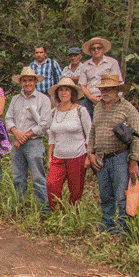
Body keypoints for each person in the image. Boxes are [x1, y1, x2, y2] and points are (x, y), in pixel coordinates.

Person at [86, 74, 139, 234]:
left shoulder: (128, 108)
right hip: (102, 158)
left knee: (122, 195)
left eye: (109, 88)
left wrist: (133, 161)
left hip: (120, 158)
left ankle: (124, 229)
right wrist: (90, 152)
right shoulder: (98, 107)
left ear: (117, 90)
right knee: (105, 194)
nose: (105, 92)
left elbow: (137, 136)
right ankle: (107, 225)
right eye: (103, 88)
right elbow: (93, 131)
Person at [5, 67, 52, 209]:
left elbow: (45, 123)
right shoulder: (15, 99)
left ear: (35, 81)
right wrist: (16, 132)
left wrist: (25, 136)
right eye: (24, 81)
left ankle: (43, 209)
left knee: (38, 177)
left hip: (34, 143)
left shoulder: (43, 99)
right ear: (20, 82)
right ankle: (18, 207)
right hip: (17, 143)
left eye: (30, 80)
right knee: (18, 176)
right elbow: (8, 118)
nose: (27, 83)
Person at [46, 77, 91, 211]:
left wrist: (89, 156)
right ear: (57, 93)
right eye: (61, 90)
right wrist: (50, 157)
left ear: (72, 93)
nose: (64, 93)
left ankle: (73, 217)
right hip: (58, 157)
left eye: (67, 90)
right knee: (51, 185)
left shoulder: (80, 110)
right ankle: (57, 213)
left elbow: (89, 134)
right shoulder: (53, 112)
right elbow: (52, 136)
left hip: (77, 156)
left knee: (76, 191)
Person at [79, 37, 123, 118]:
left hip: (109, 99)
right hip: (90, 100)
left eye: (99, 48)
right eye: (93, 48)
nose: (96, 50)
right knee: (89, 124)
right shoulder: (85, 65)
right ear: (90, 51)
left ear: (103, 50)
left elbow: (117, 82)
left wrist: (115, 100)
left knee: (108, 123)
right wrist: (91, 98)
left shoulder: (112, 63)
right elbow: (82, 85)